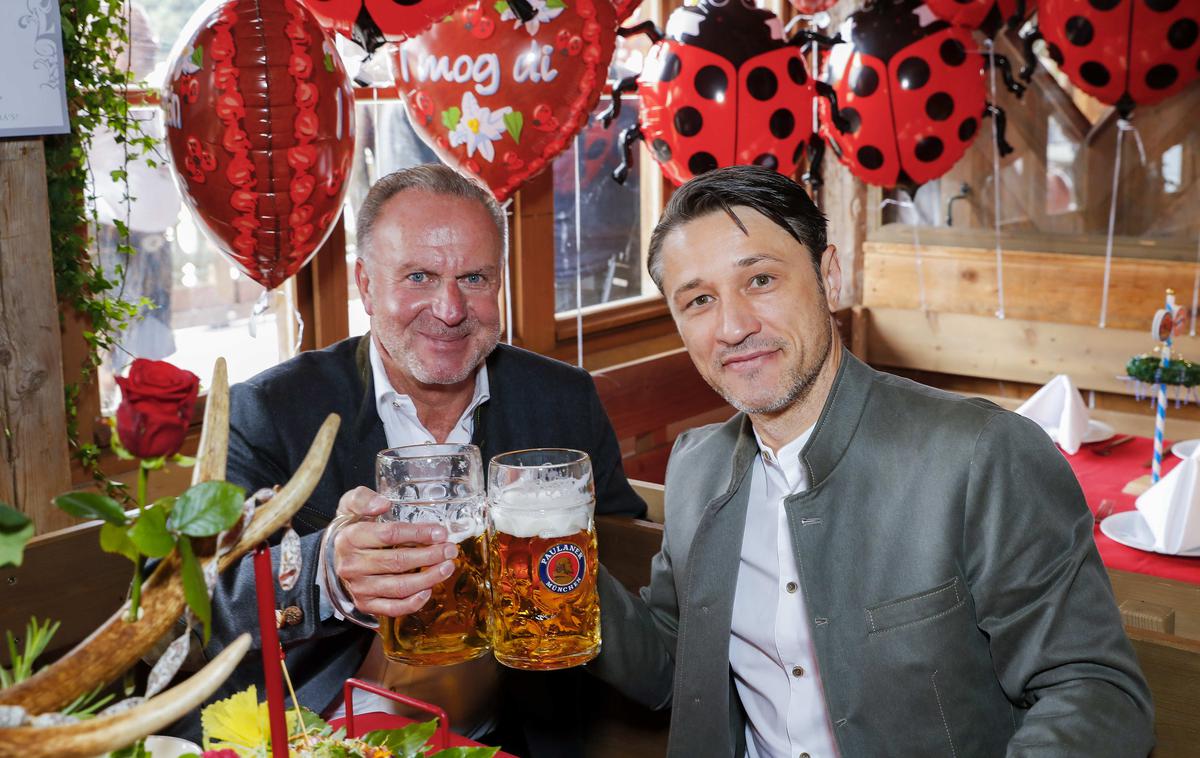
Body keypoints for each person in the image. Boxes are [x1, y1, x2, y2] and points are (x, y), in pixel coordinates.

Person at [586, 165, 1154, 757]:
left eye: (760, 280)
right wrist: (553, 557)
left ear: (829, 277)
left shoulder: (981, 453)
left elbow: (1095, 692)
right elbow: (673, 665)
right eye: (699, 300)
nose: (733, 326)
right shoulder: (696, 468)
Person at [183, 164, 645, 756]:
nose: (450, 309)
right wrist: (325, 571)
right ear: (366, 286)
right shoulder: (271, 410)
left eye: (474, 277)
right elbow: (201, 602)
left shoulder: (561, 400)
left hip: (510, 736)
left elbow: (626, 565)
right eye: (419, 276)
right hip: (323, 734)